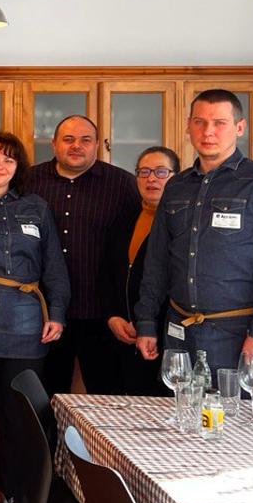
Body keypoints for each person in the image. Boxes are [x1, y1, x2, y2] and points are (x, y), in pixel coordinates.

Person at [135, 89, 253, 389]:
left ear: (240, 127)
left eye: (219, 122)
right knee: (183, 423)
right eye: (199, 122)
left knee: (243, 430)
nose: (208, 131)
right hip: (179, 332)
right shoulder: (176, 187)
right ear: (188, 126)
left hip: (239, 334)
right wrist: (145, 322)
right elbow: (157, 260)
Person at [0, 131, 68, 503]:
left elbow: (54, 265)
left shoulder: (36, 207)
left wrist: (56, 311)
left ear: (18, 167)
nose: (0, 166)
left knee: (21, 414)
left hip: (28, 322)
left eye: (8, 159)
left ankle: (18, 490)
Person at [24, 115, 140, 397]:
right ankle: (49, 444)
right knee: (45, 396)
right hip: (41, 312)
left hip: (101, 312)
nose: (77, 146)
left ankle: (99, 444)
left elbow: (138, 249)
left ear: (97, 145)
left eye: (85, 139)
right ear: (53, 144)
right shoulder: (28, 181)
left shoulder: (123, 185)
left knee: (107, 396)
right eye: (68, 139)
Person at [100, 146, 180, 396]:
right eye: (144, 172)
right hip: (122, 333)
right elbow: (107, 274)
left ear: (176, 177)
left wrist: (147, 325)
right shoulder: (124, 219)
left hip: (163, 337)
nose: (151, 179)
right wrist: (112, 316)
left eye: (160, 171)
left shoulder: (182, 224)